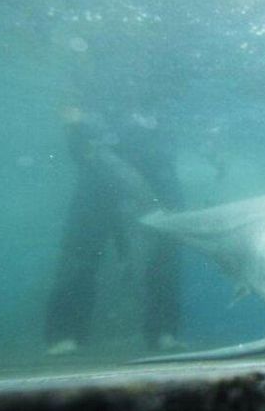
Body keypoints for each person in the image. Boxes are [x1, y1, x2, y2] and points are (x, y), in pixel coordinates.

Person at [44, 96, 187, 356]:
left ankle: (163, 332)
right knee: (80, 253)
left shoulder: (153, 90)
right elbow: (74, 130)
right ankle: (65, 333)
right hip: (102, 172)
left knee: (164, 253)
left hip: (152, 173)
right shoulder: (92, 84)